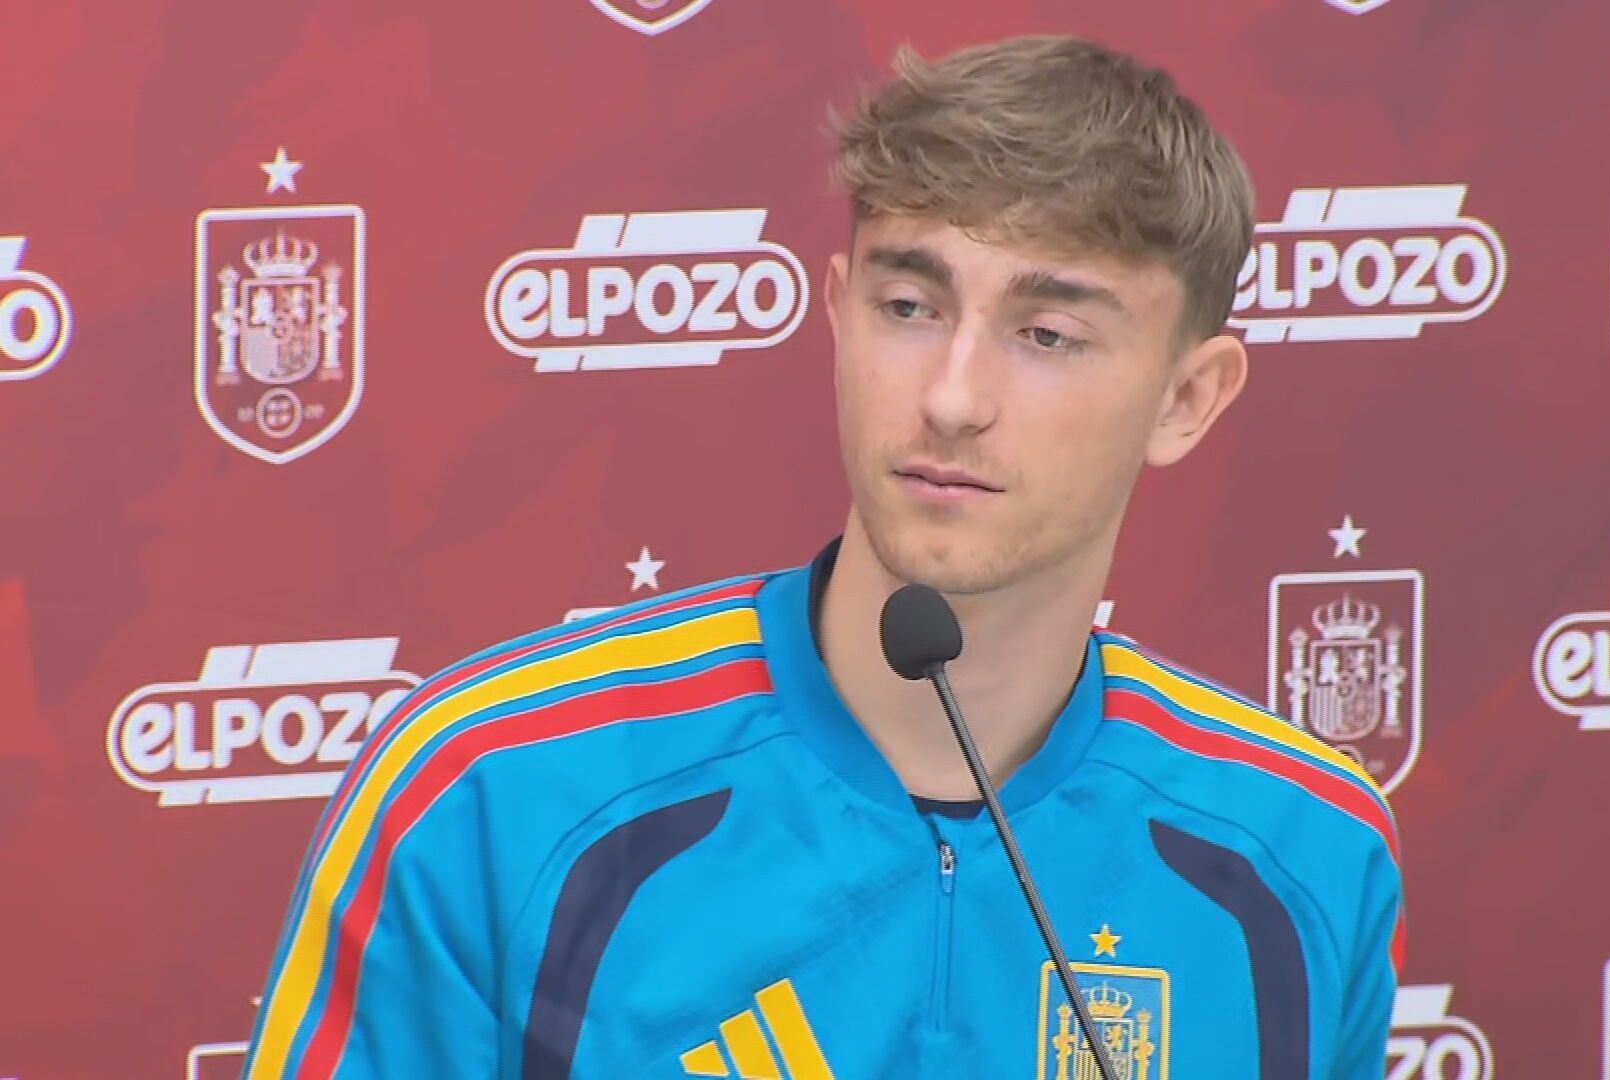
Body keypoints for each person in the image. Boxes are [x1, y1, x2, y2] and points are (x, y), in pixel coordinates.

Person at [241, 33, 1403, 1079]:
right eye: (909, 307)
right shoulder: (489, 791)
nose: (952, 397)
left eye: (1047, 334)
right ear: (839, 315)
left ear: (1188, 399)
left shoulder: (1305, 851)